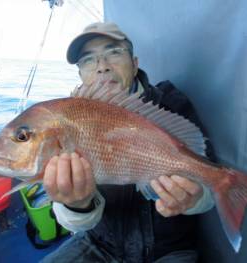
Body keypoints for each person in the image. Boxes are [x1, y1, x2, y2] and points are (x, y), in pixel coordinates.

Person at [41, 22, 215, 263]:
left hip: (168, 252)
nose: (102, 67)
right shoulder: (68, 121)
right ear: (80, 75)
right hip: (99, 247)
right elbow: (76, 222)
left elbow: (209, 184)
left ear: (134, 64)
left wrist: (195, 199)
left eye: (113, 52)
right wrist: (76, 204)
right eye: (88, 60)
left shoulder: (171, 106)